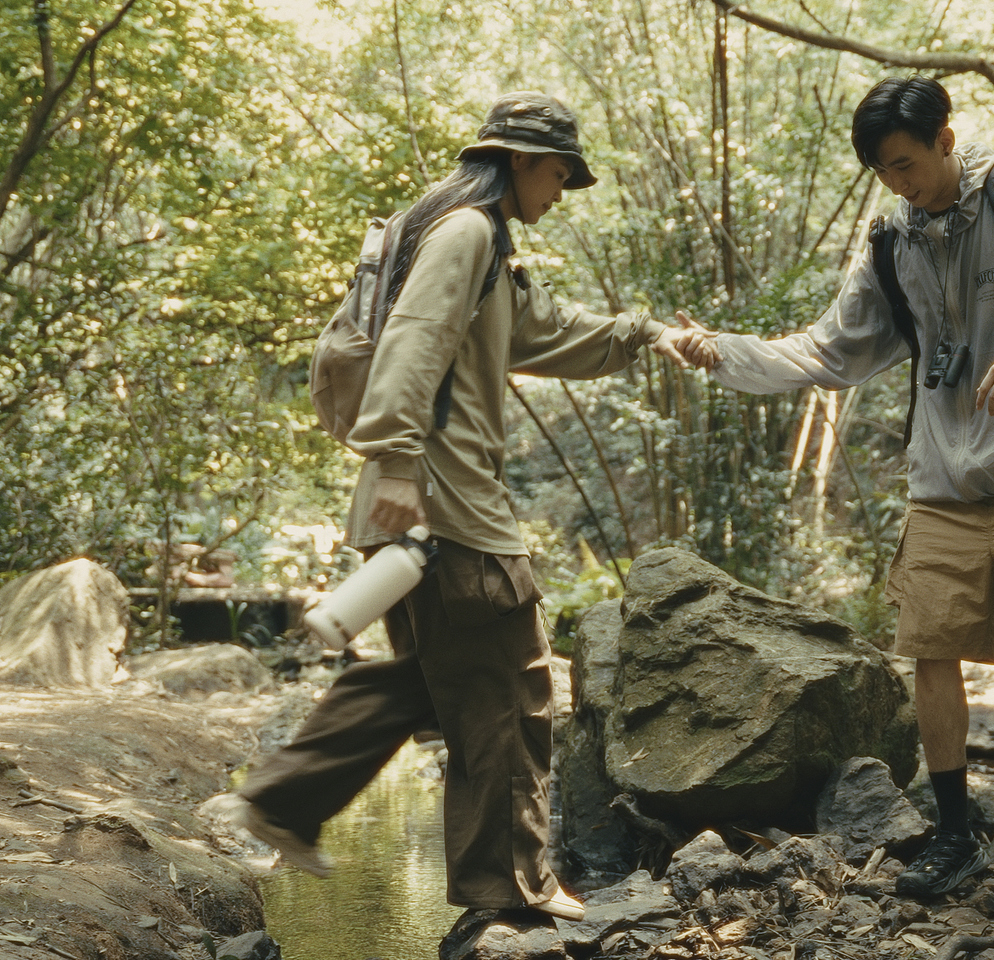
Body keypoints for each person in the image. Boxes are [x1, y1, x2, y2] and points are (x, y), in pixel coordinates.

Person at [231, 92, 713, 922]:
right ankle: (509, 886)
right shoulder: (466, 232)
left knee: (427, 680)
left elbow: (544, 332)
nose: (560, 192)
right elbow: (415, 338)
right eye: (559, 173)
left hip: (419, 507)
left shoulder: (474, 238)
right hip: (446, 505)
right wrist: (391, 461)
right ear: (520, 161)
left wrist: (645, 334)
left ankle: (283, 797)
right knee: (511, 694)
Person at [677, 76, 994, 898]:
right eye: (883, 171)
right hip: (944, 483)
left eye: (906, 163)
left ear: (945, 137)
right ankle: (955, 832)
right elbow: (830, 352)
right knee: (930, 651)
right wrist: (724, 350)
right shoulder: (892, 240)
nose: (899, 183)